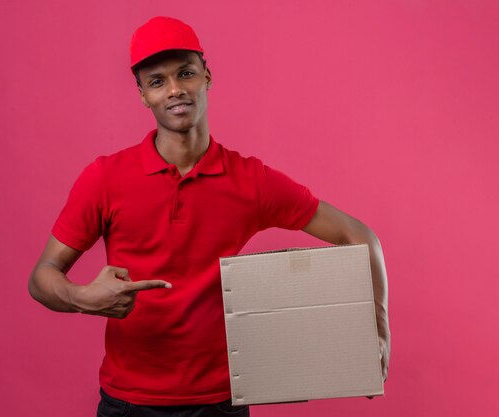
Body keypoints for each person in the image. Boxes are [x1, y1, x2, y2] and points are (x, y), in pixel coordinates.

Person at [28, 16, 390, 417]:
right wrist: (81, 297)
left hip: (221, 403)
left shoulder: (250, 181)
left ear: (207, 76)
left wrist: (377, 334)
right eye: (157, 81)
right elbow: (43, 276)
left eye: (186, 73)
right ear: (142, 95)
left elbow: (360, 238)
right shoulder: (104, 178)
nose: (175, 90)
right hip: (128, 403)